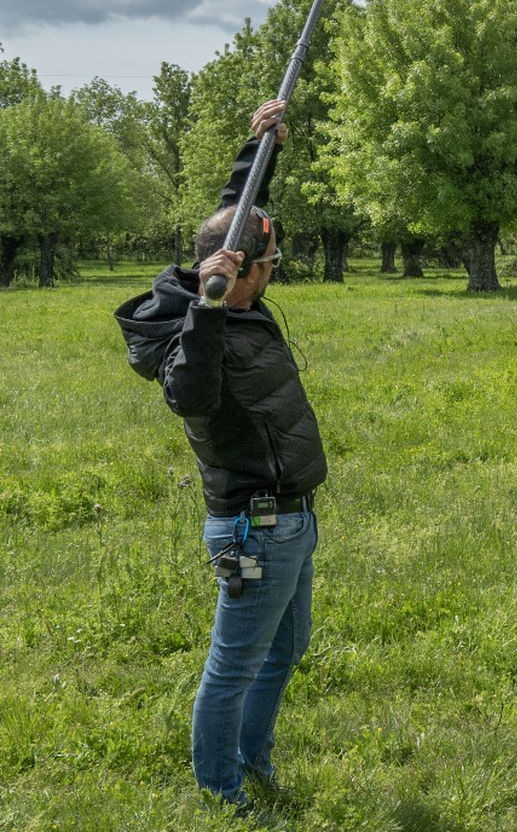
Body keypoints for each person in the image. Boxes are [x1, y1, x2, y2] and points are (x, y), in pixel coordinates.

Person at [113, 99, 323, 811]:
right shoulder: (194, 329)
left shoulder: (233, 293)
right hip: (254, 524)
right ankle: (221, 792)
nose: (273, 273)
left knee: (285, 650)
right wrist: (206, 307)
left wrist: (259, 146)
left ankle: (251, 760)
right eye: (268, 264)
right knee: (233, 665)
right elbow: (191, 396)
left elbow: (232, 218)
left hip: (293, 516)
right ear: (234, 277)